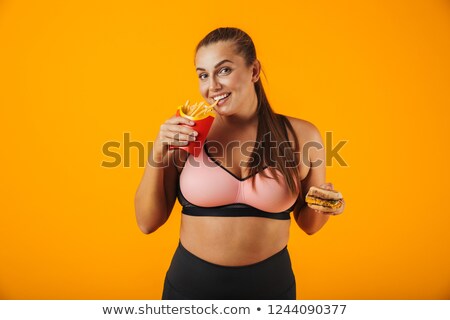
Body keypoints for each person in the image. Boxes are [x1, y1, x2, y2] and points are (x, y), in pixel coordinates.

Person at [134, 27, 345, 300]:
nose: (212, 86)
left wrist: (326, 205)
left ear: (254, 71)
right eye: (203, 75)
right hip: (189, 290)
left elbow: (309, 225)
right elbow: (147, 223)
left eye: (223, 70)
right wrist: (158, 150)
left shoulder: (303, 135)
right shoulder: (187, 133)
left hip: (272, 291)